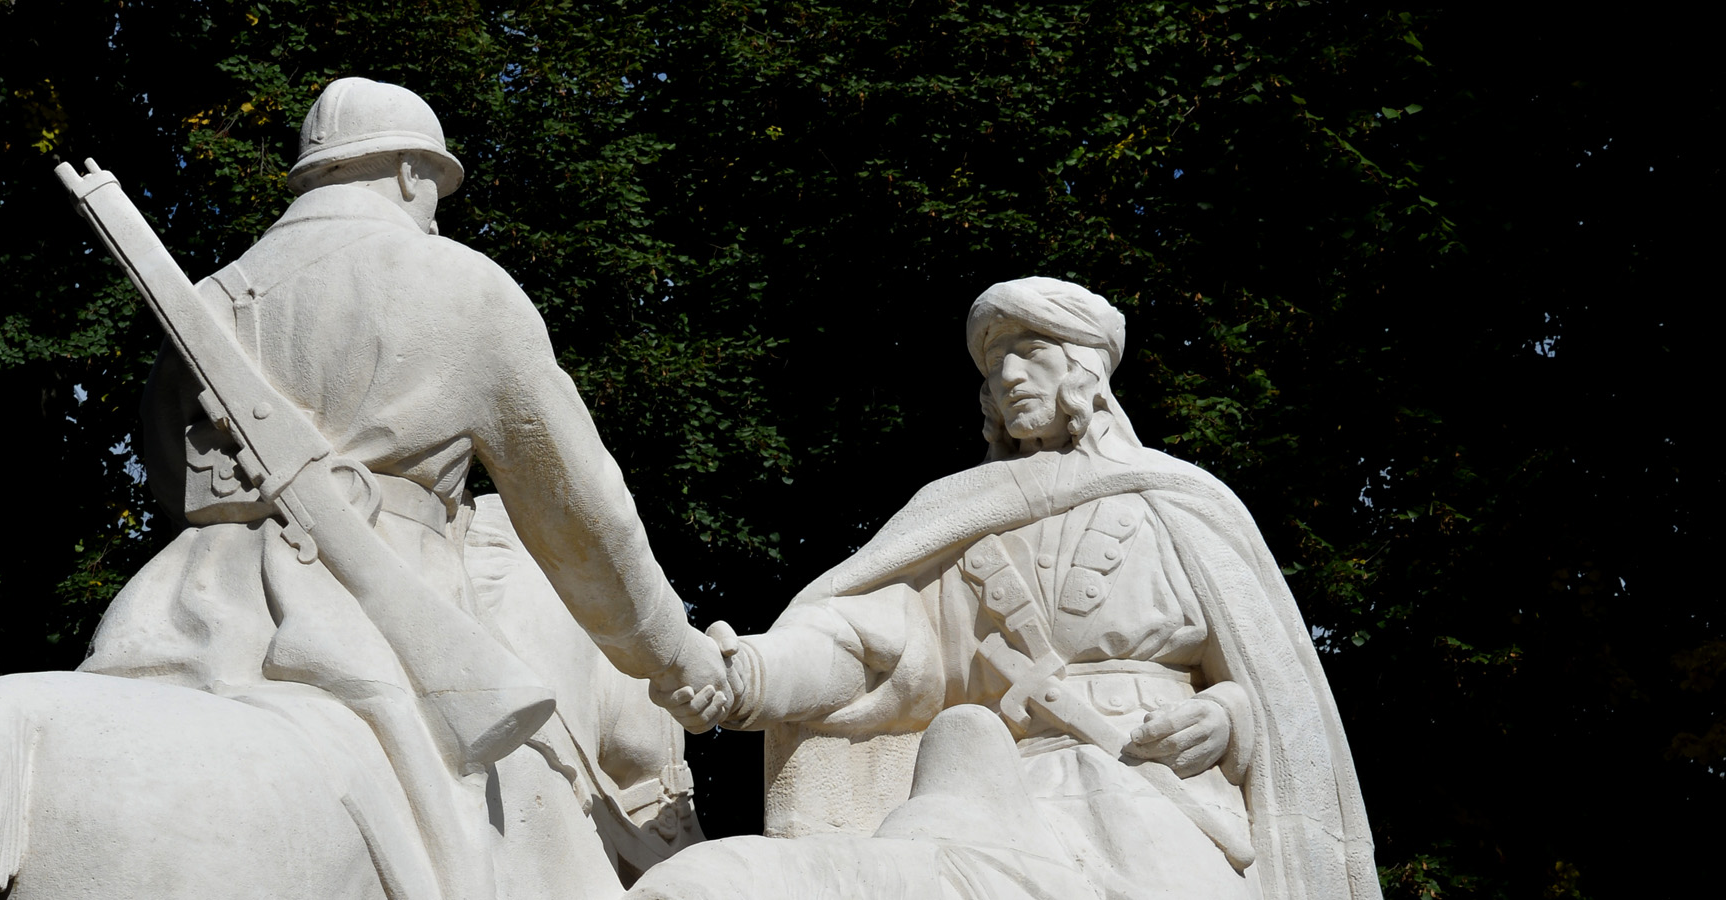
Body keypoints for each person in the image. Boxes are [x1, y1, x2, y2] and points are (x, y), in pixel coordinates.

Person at [78, 78, 730, 900]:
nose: (433, 209)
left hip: (176, 608)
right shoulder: (457, 283)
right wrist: (672, 655)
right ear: (410, 174)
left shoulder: (205, 303)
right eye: (435, 190)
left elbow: (176, 481)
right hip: (376, 616)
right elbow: (583, 512)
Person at [631, 277, 1379, 900]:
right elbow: (859, 642)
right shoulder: (958, 518)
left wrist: (1227, 717)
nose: (1009, 377)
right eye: (995, 367)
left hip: (1162, 798)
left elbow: (1272, 689)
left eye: (1031, 355)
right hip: (996, 793)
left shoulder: (1179, 503)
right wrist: (741, 675)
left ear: (1087, 368)